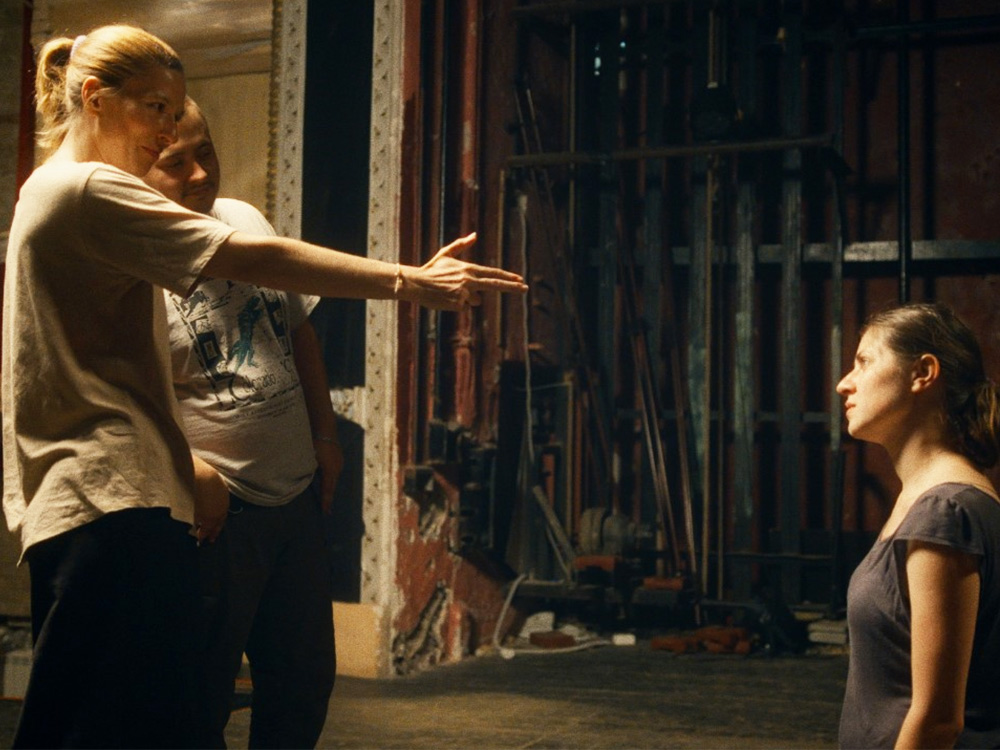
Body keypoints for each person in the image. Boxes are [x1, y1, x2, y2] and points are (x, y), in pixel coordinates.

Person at [3, 24, 525, 749]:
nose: (166, 131)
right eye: (155, 110)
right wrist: (411, 281)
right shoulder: (89, 189)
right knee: (115, 720)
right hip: (107, 499)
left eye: (180, 115)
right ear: (95, 98)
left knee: (110, 719)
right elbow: (260, 257)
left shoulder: (54, 189)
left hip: (116, 496)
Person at [144, 97, 339, 748]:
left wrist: (327, 437)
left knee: (304, 682)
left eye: (207, 153)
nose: (201, 174)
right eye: (177, 162)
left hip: (296, 499)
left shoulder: (241, 218)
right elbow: (130, 400)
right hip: (217, 518)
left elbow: (299, 327)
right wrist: (195, 475)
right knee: (199, 693)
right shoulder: (134, 266)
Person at [835, 302, 1000, 749]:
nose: (843, 384)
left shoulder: (945, 512)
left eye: (864, 362)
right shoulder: (932, 503)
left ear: (922, 373)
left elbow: (937, 721)